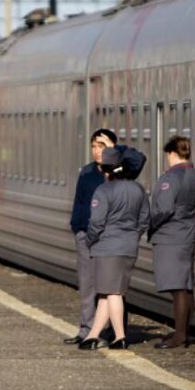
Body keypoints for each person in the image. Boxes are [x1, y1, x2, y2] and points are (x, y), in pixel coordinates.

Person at [80, 145, 149, 351]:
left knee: (113, 293)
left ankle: (120, 337)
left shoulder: (103, 191)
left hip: (107, 247)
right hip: (128, 247)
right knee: (105, 293)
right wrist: (132, 237)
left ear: (104, 168)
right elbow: (144, 220)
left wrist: (90, 240)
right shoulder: (138, 189)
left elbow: (97, 222)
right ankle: (93, 336)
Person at [148, 135, 195, 349]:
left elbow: (164, 208)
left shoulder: (170, 178)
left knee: (177, 287)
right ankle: (184, 332)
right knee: (186, 286)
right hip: (187, 234)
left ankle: (180, 336)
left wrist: (150, 222)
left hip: (170, 237)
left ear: (171, 153)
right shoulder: (194, 174)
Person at [63, 128, 117, 345]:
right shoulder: (86, 172)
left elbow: (139, 160)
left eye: (101, 146)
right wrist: (76, 227)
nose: (96, 151)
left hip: (108, 236)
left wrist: (114, 151)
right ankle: (86, 329)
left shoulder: (117, 171)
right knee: (87, 284)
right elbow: (79, 201)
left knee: (110, 285)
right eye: (94, 146)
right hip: (85, 234)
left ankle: (112, 330)